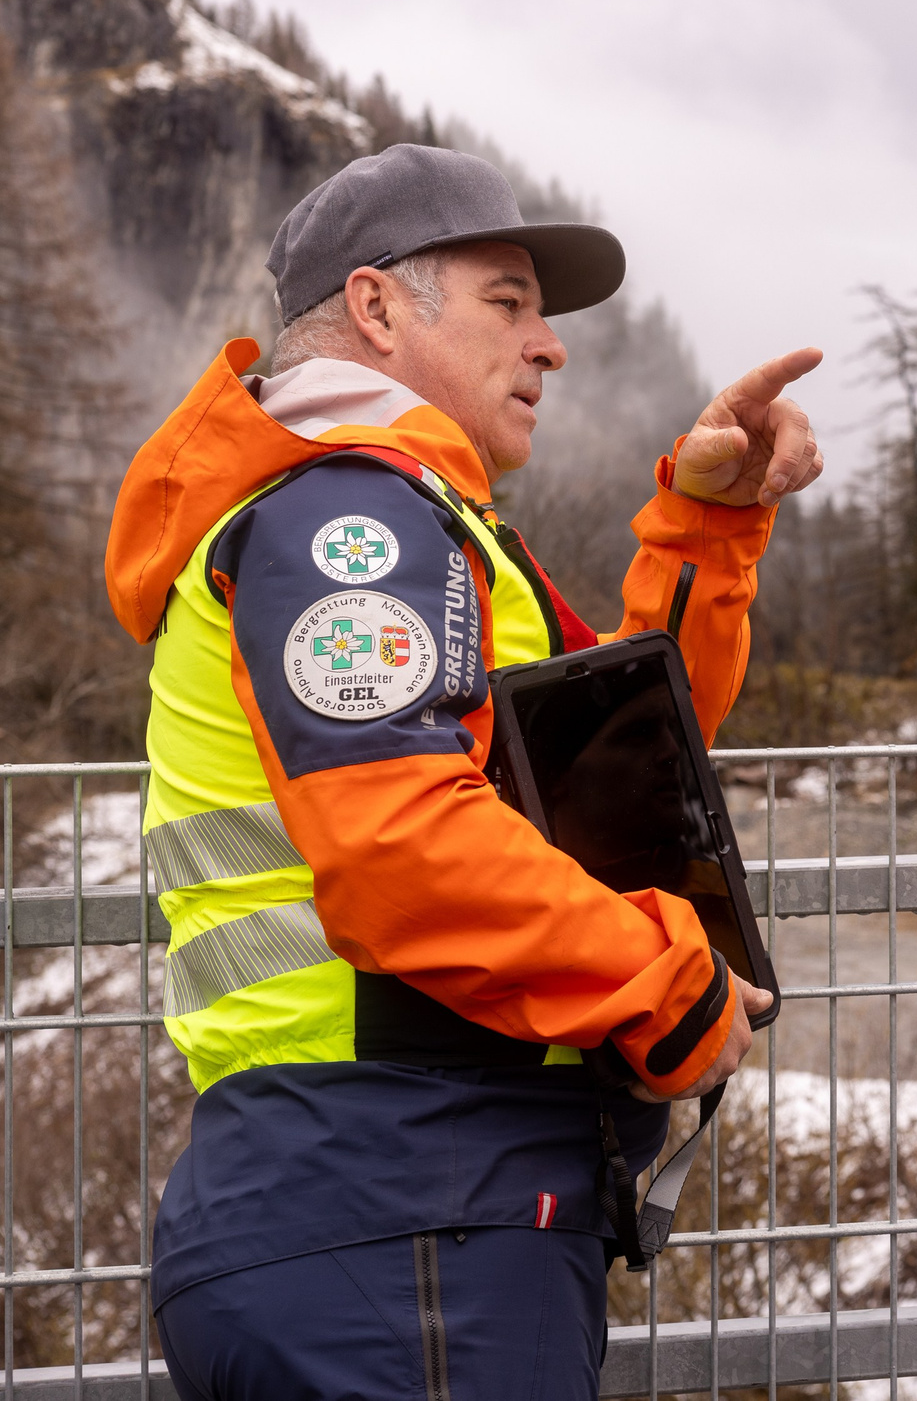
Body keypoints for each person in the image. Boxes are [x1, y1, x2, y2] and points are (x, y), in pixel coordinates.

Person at [102, 144, 825, 1398]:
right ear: (378, 307)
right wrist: (661, 980)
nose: (550, 345)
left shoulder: (420, 524)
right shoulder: (349, 525)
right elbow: (400, 849)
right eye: (510, 301)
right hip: (395, 1195)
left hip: (399, 1201)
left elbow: (611, 760)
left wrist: (708, 524)